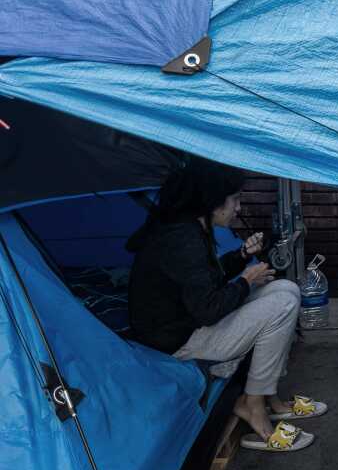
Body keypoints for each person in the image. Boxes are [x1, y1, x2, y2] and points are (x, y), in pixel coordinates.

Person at [127, 157, 325, 452]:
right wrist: (245, 281)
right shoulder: (182, 239)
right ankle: (253, 407)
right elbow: (208, 309)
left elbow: (202, 282)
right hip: (179, 341)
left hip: (192, 324)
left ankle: (271, 399)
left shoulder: (190, 228)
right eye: (234, 200)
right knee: (282, 301)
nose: (238, 208)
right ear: (212, 202)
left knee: (285, 288)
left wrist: (242, 255)